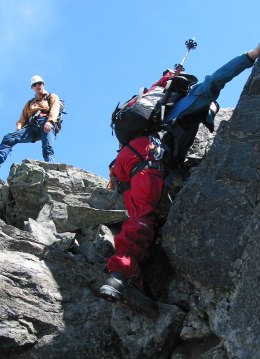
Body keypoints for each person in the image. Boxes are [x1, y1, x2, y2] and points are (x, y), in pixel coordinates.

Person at [100, 43, 260, 315]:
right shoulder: (192, 97)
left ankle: (135, 279)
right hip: (149, 156)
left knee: (140, 217)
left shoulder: (155, 101)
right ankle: (122, 274)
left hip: (125, 161)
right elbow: (217, 78)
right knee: (144, 217)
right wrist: (251, 56)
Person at [0, 75, 61, 171]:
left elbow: (55, 109)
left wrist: (50, 122)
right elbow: (21, 120)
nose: (38, 85)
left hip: (46, 123)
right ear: (32, 87)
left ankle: (51, 169)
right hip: (32, 127)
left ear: (43, 84)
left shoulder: (51, 96)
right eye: (35, 84)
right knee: (9, 138)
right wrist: (18, 130)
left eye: (39, 83)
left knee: (47, 148)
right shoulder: (29, 104)